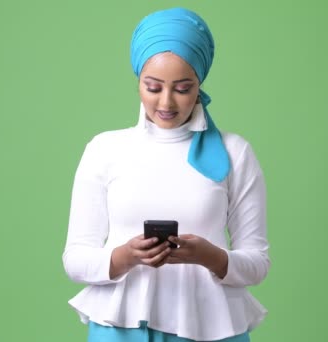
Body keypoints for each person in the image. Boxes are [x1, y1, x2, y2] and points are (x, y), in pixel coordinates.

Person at [63, 7, 270, 342]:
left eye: (183, 88)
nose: (167, 102)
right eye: (153, 86)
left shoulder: (236, 152)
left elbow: (257, 263)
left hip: (211, 327)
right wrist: (124, 257)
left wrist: (211, 257)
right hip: (119, 327)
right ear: (138, 82)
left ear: (199, 83)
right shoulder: (104, 149)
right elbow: (75, 259)